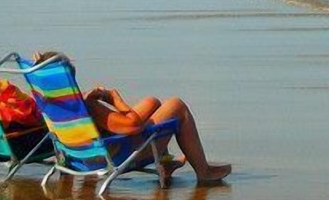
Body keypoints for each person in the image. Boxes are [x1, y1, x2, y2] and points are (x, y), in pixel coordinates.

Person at [38, 52, 231, 185]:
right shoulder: (88, 107)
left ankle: (165, 163)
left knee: (151, 102)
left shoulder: (48, 105)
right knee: (177, 106)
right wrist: (115, 99)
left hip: (82, 157)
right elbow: (133, 126)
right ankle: (204, 172)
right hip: (117, 154)